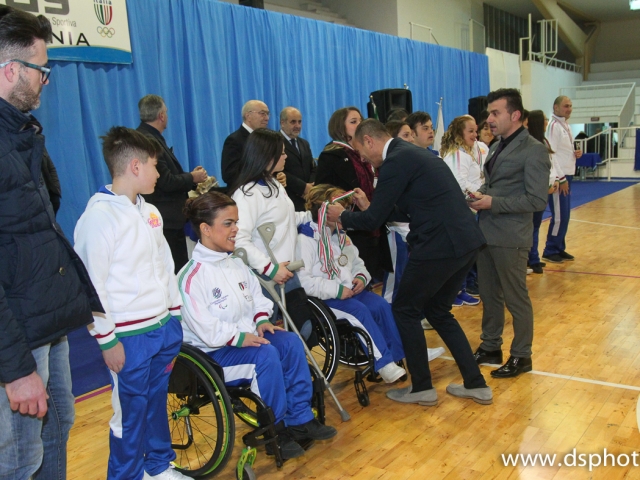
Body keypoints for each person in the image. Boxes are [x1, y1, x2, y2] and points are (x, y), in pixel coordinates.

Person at [0, 7, 102, 480]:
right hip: (17, 337)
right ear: (10, 70)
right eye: (41, 69)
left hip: (46, 321)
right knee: (19, 460)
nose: (46, 79)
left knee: (58, 427)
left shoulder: (21, 133)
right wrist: (16, 369)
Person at [326, 119, 492, 406]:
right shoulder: (411, 154)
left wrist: (342, 216)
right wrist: (369, 208)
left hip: (440, 245)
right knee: (438, 311)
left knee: (404, 309)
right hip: (465, 242)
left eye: (363, 154)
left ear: (369, 141)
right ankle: (476, 384)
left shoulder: (395, 160)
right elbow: (405, 209)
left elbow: (373, 220)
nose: (364, 160)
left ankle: (422, 388)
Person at [178, 192, 337, 460]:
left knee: (289, 342)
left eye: (236, 222)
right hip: (213, 354)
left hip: (245, 339)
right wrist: (240, 338)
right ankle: (276, 430)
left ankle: (300, 418)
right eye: (228, 223)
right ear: (206, 229)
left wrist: (262, 319)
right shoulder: (191, 277)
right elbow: (207, 329)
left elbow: (257, 299)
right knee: (266, 356)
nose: (236, 229)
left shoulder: (235, 264)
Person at [74, 127, 186, 480]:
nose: (159, 174)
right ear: (135, 167)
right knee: (130, 414)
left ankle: (157, 466)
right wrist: (106, 339)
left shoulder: (150, 211)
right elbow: (90, 286)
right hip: (128, 337)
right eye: (154, 166)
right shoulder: (98, 217)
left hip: (162, 328)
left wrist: (174, 316)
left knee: (156, 402)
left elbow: (165, 266)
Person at [468, 88, 550, 378]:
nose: (489, 119)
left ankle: (522, 355)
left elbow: (537, 200)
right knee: (489, 295)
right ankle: (491, 346)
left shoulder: (534, 149)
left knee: (516, 299)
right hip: (488, 233)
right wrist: (479, 194)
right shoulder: (497, 145)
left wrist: (493, 202)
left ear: (515, 115)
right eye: (489, 113)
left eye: (495, 113)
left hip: (511, 237)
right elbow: (495, 184)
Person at [297, 185, 410, 383]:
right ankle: (383, 364)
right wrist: (337, 290)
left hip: (350, 291)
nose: (347, 215)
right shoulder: (305, 239)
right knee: (359, 311)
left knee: (381, 305)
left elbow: (358, 263)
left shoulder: (341, 236)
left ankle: (399, 354)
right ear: (326, 213)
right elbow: (304, 281)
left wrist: (361, 277)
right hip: (326, 299)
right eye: (341, 211)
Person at [229, 128, 315, 340]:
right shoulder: (247, 194)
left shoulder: (274, 184)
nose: (285, 156)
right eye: (282, 152)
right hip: (264, 278)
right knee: (271, 335)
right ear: (268, 156)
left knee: (304, 329)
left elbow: (288, 219)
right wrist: (270, 268)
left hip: (286, 272)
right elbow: (239, 239)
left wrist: (316, 216)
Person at [315, 107, 390, 280]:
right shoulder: (331, 155)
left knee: (374, 273)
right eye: (353, 121)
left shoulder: (368, 151)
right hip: (348, 226)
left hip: (371, 220)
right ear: (340, 126)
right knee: (355, 274)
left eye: (360, 120)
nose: (359, 124)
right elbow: (322, 191)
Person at [137, 94, 208, 273]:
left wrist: (191, 177)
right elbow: (165, 181)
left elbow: (167, 176)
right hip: (166, 218)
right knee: (175, 270)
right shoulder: (148, 140)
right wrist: (192, 178)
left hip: (167, 217)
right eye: (166, 112)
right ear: (161, 115)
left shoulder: (149, 137)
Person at [440, 115, 490, 306]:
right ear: (459, 133)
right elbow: (459, 183)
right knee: (461, 254)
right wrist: (478, 195)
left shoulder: (465, 153)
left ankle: (460, 289)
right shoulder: (457, 155)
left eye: (476, 131)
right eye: (471, 131)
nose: (475, 135)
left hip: (468, 209)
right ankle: (454, 292)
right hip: (462, 210)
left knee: (466, 253)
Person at [542, 96, 582, 264]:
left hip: (567, 174)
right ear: (556, 107)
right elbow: (551, 154)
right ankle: (550, 249)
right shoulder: (553, 127)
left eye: (570, 106)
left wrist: (575, 153)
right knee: (559, 216)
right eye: (566, 106)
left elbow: (562, 151)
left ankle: (559, 247)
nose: (569, 109)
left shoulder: (565, 125)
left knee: (565, 215)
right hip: (560, 178)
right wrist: (561, 178)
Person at [527, 110, 561, 274]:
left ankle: (533, 257)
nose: (547, 122)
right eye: (544, 119)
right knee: (532, 227)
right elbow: (536, 171)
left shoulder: (543, 141)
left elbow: (551, 164)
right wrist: (545, 186)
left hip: (545, 190)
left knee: (535, 226)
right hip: (537, 191)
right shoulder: (532, 144)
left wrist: (556, 180)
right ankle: (532, 259)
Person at [221, 99, 270, 187]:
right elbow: (229, 175)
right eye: (262, 113)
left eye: (267, 114)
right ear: (248, 116)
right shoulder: (234, 140)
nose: (267, 118)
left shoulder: (265, 139)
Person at [279, 106, 316, 212]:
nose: (297, 126)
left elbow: (313, 167)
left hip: (308, 199)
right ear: (282, 123)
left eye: (299, 122)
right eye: (293, 122)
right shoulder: (275, 142)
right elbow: (277, 171)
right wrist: (303, 187)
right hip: (288, 198)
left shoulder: (304, 143)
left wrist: (311, 187)